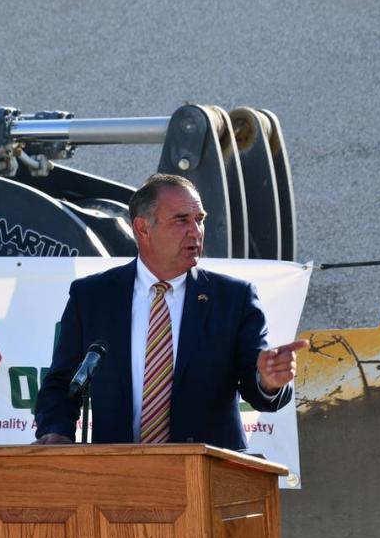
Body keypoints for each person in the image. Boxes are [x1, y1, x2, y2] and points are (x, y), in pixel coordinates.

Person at [33, 173, 307, 449]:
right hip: (118, 473)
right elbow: (62, 383)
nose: (196, 231)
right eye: (181, 220)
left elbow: (257, 388)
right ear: (142, 228)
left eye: (199, 220)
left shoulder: (233, 298)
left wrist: (268, 381)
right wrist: (58, 432)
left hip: (207, 474)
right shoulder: (92, 297)